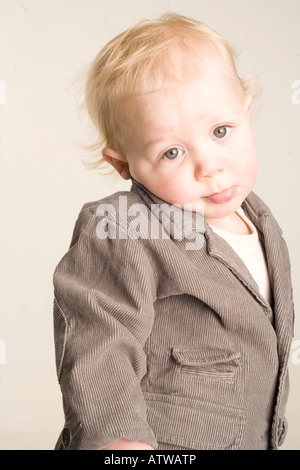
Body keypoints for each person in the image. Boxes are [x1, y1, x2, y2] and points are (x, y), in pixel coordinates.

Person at [53, 13, 294, 450]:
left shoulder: (259, 219)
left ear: (246, 110)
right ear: (123, 164)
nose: (209, 166)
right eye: (172, 152)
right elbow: (99, 344)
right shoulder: (125, 227)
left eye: (221, 131)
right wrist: (121, 444)